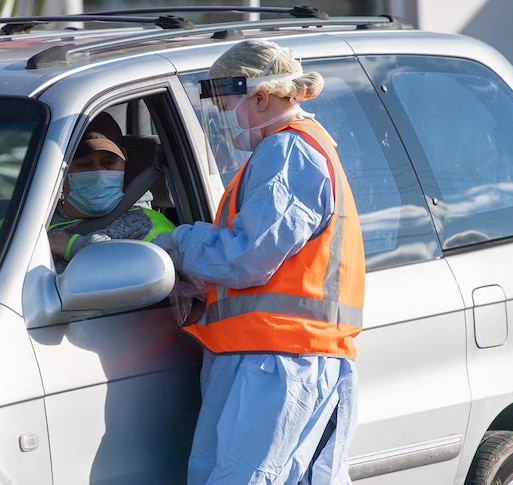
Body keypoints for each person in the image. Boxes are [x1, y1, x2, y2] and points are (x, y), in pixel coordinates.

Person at [151, 40, 366, 484]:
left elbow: (249, 255)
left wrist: (179, 243)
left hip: (278, 362)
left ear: (261, 97)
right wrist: (198, 285)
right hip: (273, 357)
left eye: (228, 104)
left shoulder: (289, 152)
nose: (225, 118)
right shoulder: (290, 150)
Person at [0, 112, 175, 277]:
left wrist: (71, 247)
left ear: (125, 160)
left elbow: (148, 281)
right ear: (61, 168)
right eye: (83, 164)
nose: (98, 174)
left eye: (109, 163)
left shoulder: (151, 226)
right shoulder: (19, 226)